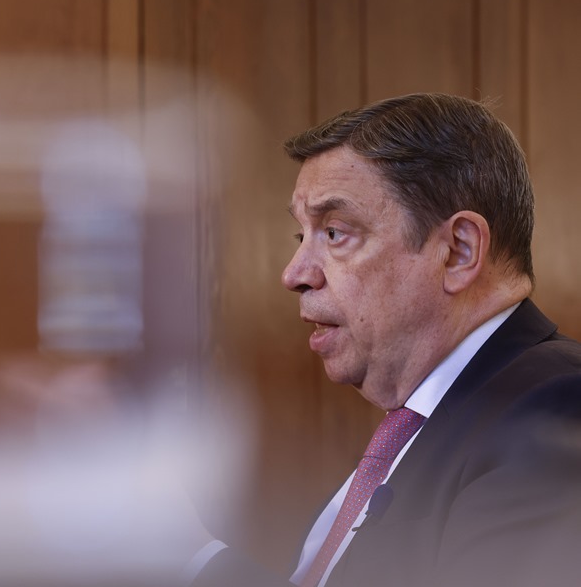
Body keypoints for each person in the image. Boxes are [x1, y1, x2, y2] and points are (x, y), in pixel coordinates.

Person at [192, 93, 581, 587]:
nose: (294, 274)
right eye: (302, 237)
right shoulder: (418, 427)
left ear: (458, 251)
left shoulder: (556, 407)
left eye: (335, 232)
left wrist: (194, 563)